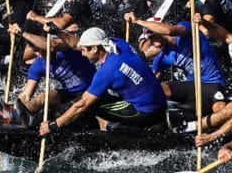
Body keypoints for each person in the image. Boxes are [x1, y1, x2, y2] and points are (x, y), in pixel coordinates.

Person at [39, 26, 167, 133]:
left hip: (146, 113)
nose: (82, 54)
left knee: (89, 102)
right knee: (97, 96)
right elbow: (76, 44)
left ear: (94, 48)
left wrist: (55, 125)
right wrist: (56, 31)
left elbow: (82, 105)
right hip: (160, 103)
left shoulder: (107, 71)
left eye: (84, 50)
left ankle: (124, 132)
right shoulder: (118, 44)